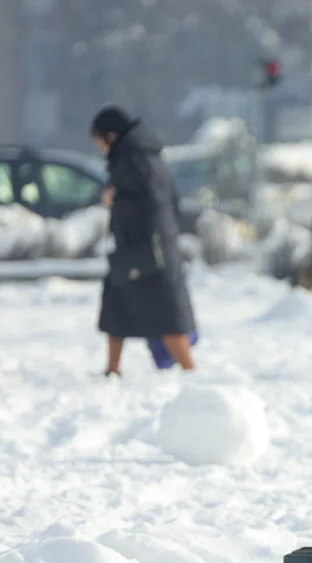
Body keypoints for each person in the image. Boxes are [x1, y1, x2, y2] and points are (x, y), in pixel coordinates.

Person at [90, 106, 197, 376]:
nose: (99, 146)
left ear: (110, 135)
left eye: (99, 139)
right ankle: (112, 370)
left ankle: (190, 371)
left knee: (167, 318)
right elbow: (170, 200)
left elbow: (151, 202)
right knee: (118, 310)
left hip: (147, 251)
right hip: (148, 247)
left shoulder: (132, 157)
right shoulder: (144, 153)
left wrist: (115, 200)